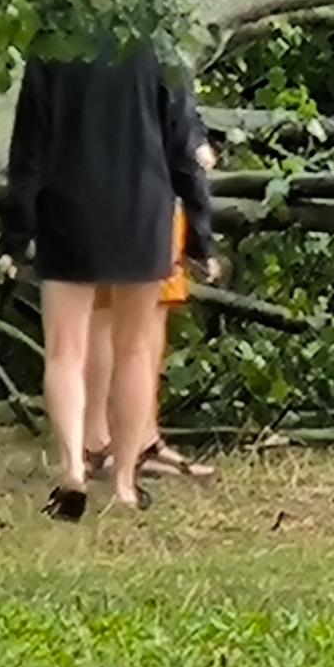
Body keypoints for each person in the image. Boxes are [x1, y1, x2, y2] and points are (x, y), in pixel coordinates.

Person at [0, 26, 219, 519]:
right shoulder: (161, 43)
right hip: (142, 209)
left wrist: (15, 234)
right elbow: (184, 148)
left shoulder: (51, 45)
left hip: (68, 210)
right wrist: (202, 236)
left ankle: (73, 465)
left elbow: (28, 149)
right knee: (137, 349)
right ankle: (123, 482)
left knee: (63, 350)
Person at [83, 130, 222, 492]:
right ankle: (101, 441)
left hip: (132, 177)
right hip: (131, 178)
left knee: (146, 307)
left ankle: (138, 437)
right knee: (112, 311)